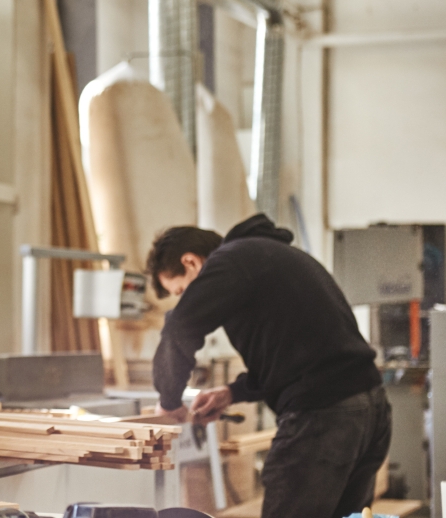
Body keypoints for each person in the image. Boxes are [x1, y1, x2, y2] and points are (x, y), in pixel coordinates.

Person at [148, 214, 391, 518]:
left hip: (322, 416)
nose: (187, 300)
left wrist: (169, 402)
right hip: (370, 408)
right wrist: (231, 393)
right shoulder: (271, 256)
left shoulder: (229, 261)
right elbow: (298, 354)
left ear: (191, 263)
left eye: (182, 291)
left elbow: (180, 328)